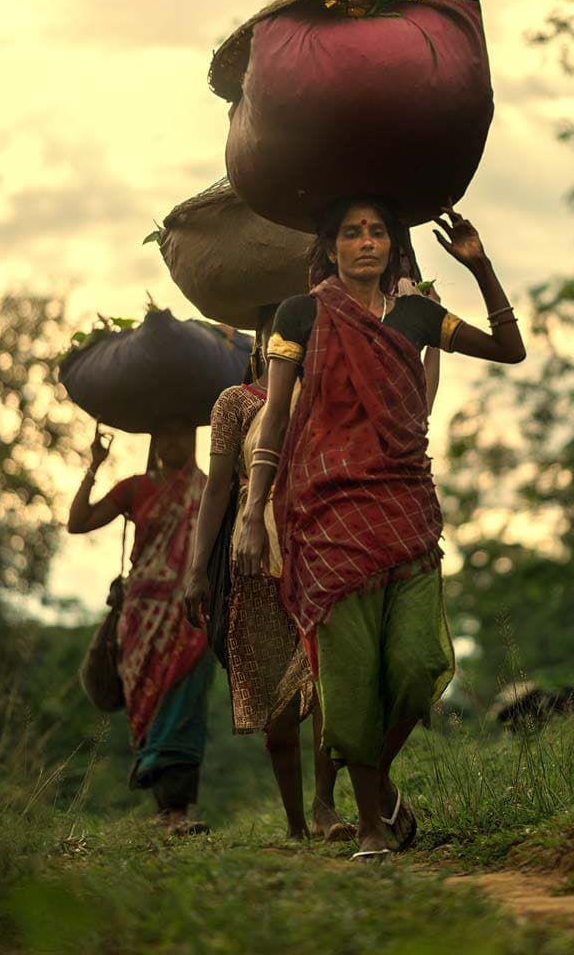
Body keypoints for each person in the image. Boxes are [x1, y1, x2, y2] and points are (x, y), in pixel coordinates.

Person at [235, 199, 526, 859]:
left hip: (406, 512)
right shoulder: (301, 315)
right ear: (330, 247)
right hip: (328, 515)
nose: (365, 242)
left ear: (394, 246)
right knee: (351, 677)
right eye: (351, 232)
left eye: (377, 232)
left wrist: (481, 268)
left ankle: (379, 779)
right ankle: (370, 825)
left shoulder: (419, 315)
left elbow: (510, 350)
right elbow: (276, 417)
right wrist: (254, 513)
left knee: (418, 664)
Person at [183, 310, 355, 842]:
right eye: (271, 334)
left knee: (326, 679)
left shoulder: (324, 394)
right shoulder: (234, 403)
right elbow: (217, 490)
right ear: (258, 346)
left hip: (319, 548)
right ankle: (296, 823)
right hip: (256, 556)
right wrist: (196, 569)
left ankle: (325, 807)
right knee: (279, 700)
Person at [68, 418, 212, 835]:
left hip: (190, 616)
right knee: (151, 710)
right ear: (153, 439)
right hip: (141, 622)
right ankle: (167, 813)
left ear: (194, 436)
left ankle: (178, 812)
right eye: (164, 432)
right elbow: (78, 522)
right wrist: (94, 465)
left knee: (185, 711)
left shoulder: (210, 489)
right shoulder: (135, 487)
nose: (172, 439)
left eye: (180, 431)